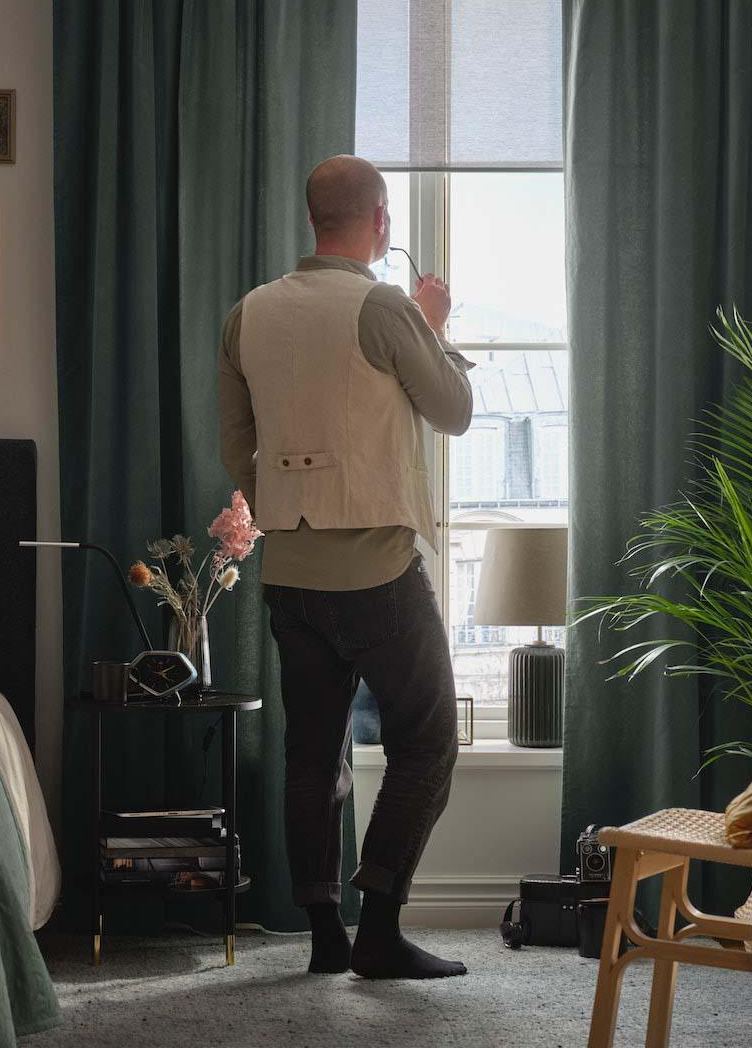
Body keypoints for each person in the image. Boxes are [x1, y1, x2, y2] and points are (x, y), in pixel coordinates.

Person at [217, 154, 475, 979]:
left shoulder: (246, 314)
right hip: (378, 572)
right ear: (382, 221)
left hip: (289, 575)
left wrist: (290, 516)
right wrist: (432, 323)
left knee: (311, 753)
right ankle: (380, 928)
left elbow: (235, 445)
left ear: (310, 219)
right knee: (429, 741)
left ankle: (326, 934)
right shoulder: (386, 306)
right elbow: (456, 412)